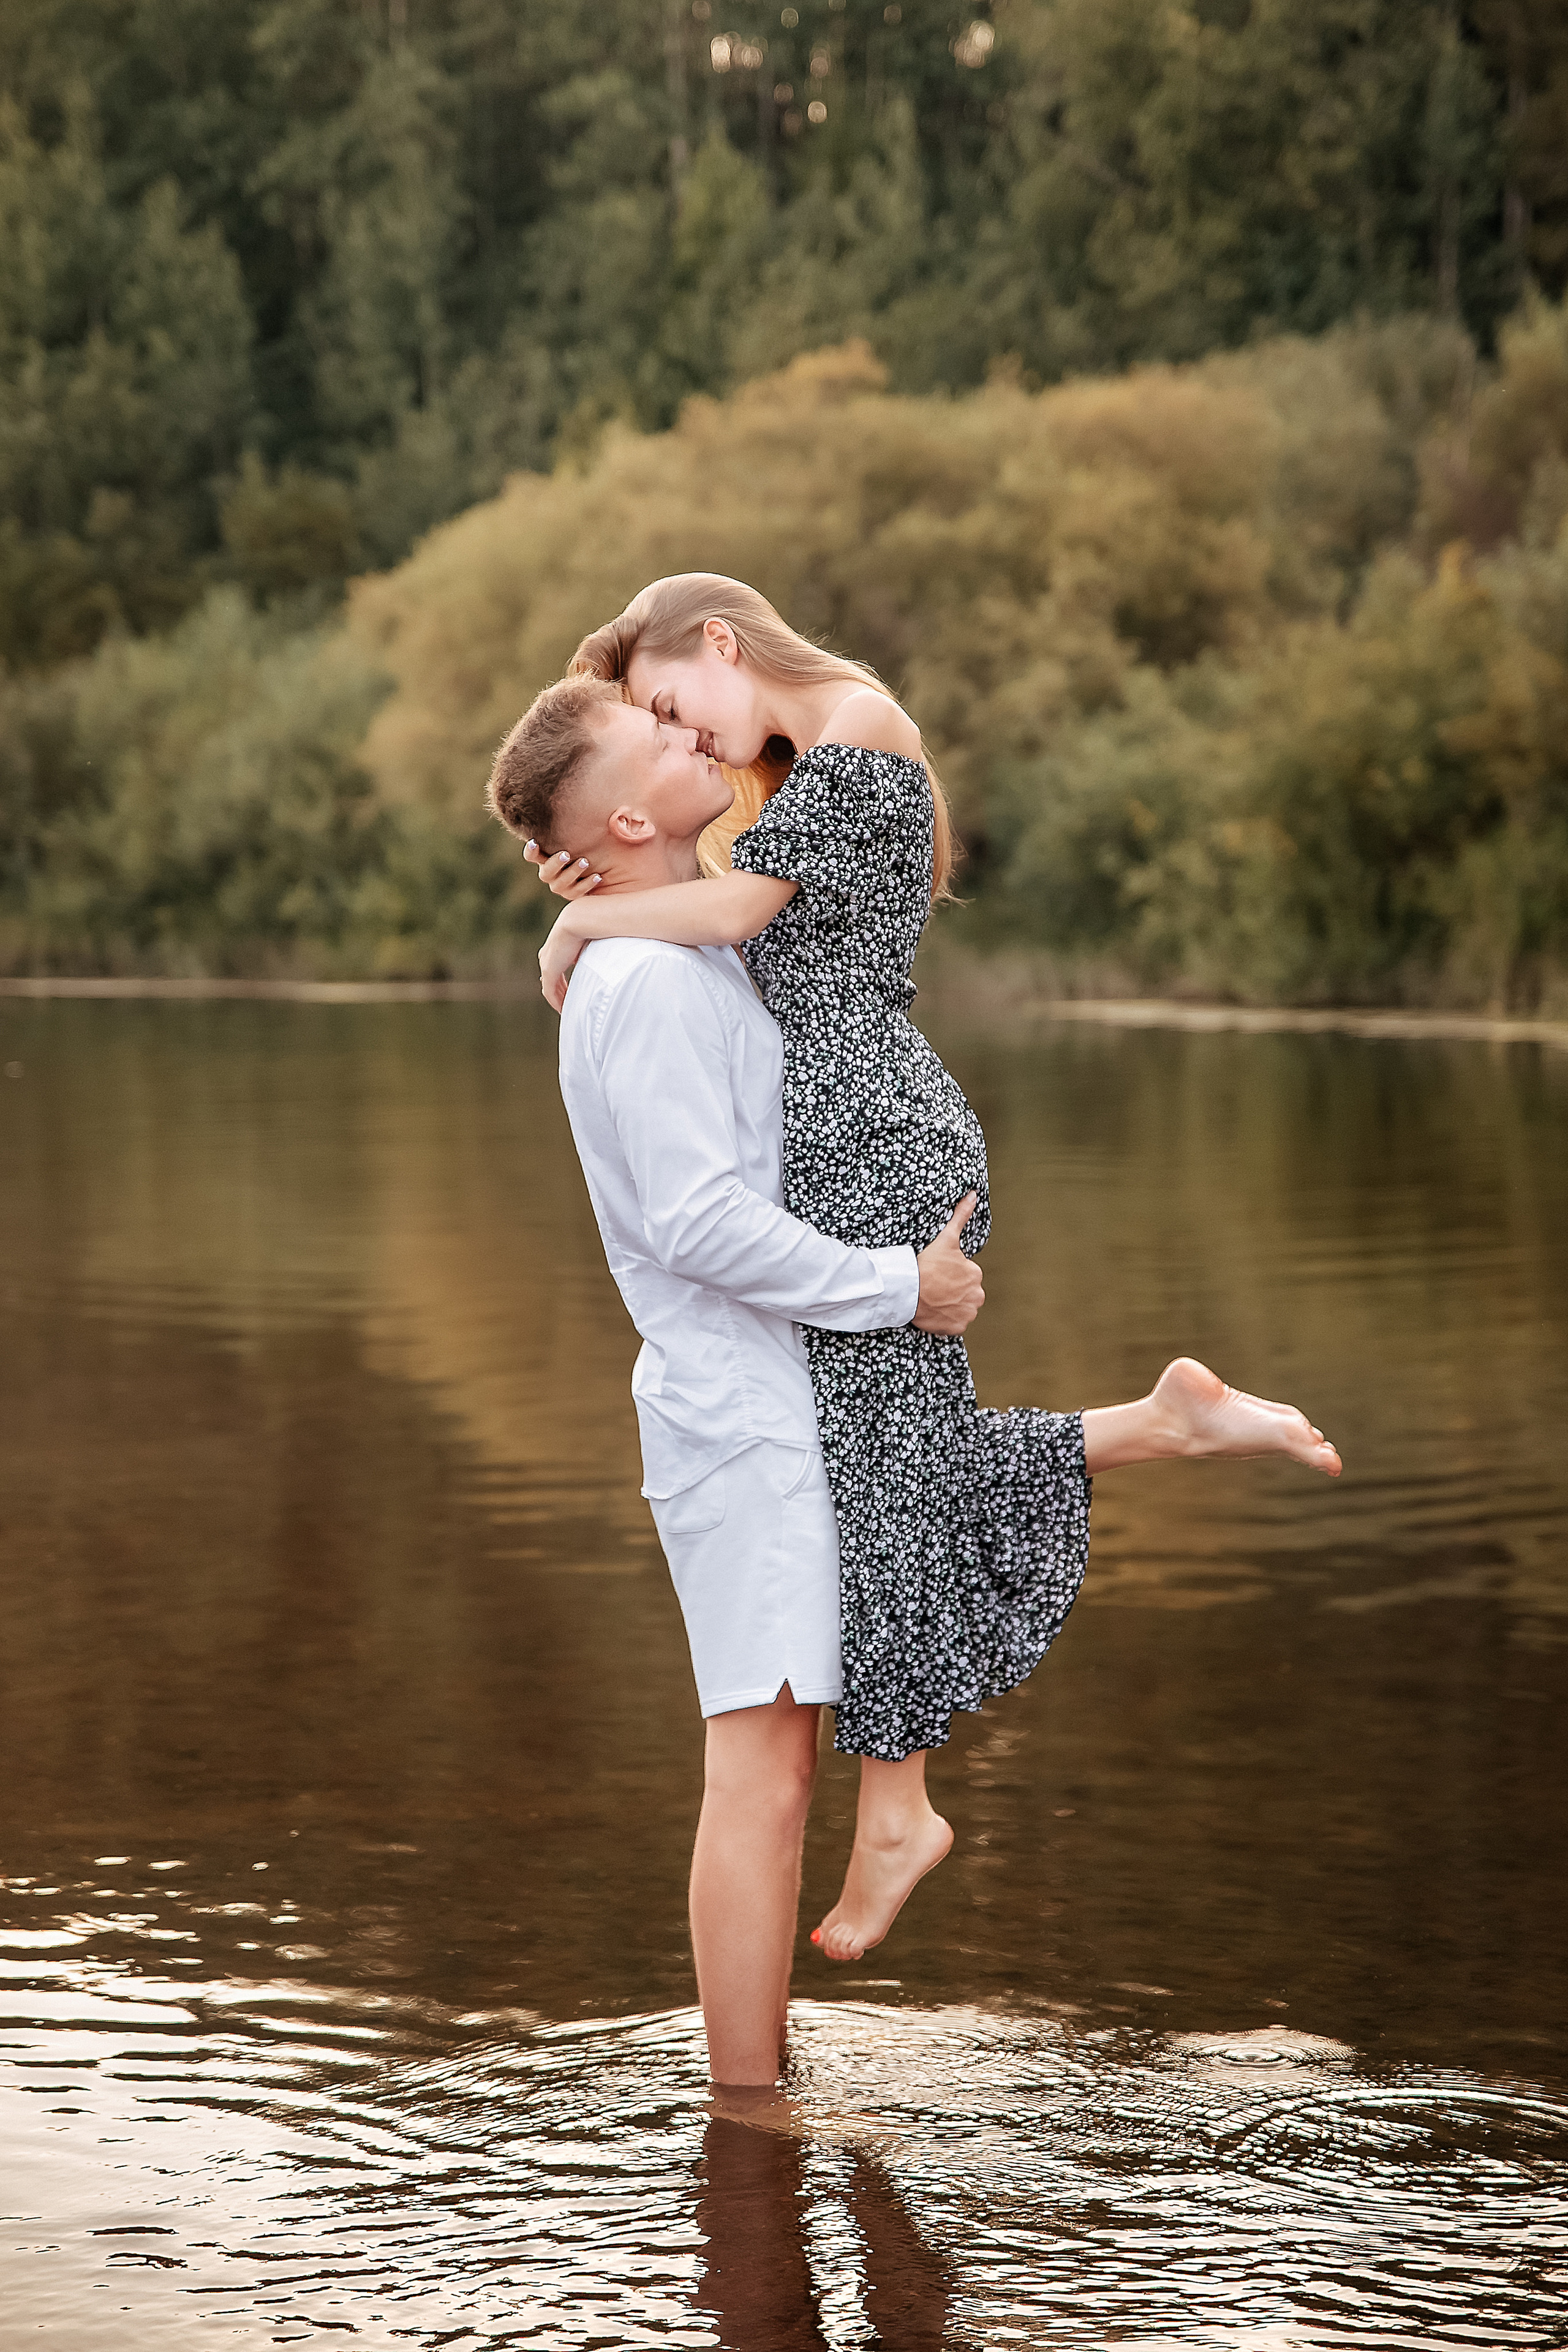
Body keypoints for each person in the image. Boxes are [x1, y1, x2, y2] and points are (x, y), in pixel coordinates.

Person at [495, 580, 1341, 1989]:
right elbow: (735, 911)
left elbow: (747, 908)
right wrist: (608, 892)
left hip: (876, 1139)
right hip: (864, 1130)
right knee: (895, 1458)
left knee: (888, 1468)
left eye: (661, 700)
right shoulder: (801, 765)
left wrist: (587, 928)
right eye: (645, 727)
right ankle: (1159, 1426)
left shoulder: (856, 731)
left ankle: (895, 1806)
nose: (669, 730)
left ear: (720, 642)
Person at [488, 673, 984, 2087]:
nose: (693, 731)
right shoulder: (644, 982)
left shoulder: (681, 945)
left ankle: (752, 2093)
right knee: (761, 1778)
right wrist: (904, 1286)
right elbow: (696, 1225)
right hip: (737, 1417)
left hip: (779, 1399)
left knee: (779, 1764)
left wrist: (583, 887)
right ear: (634, 809)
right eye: (659, 733)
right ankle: (747, 2112)